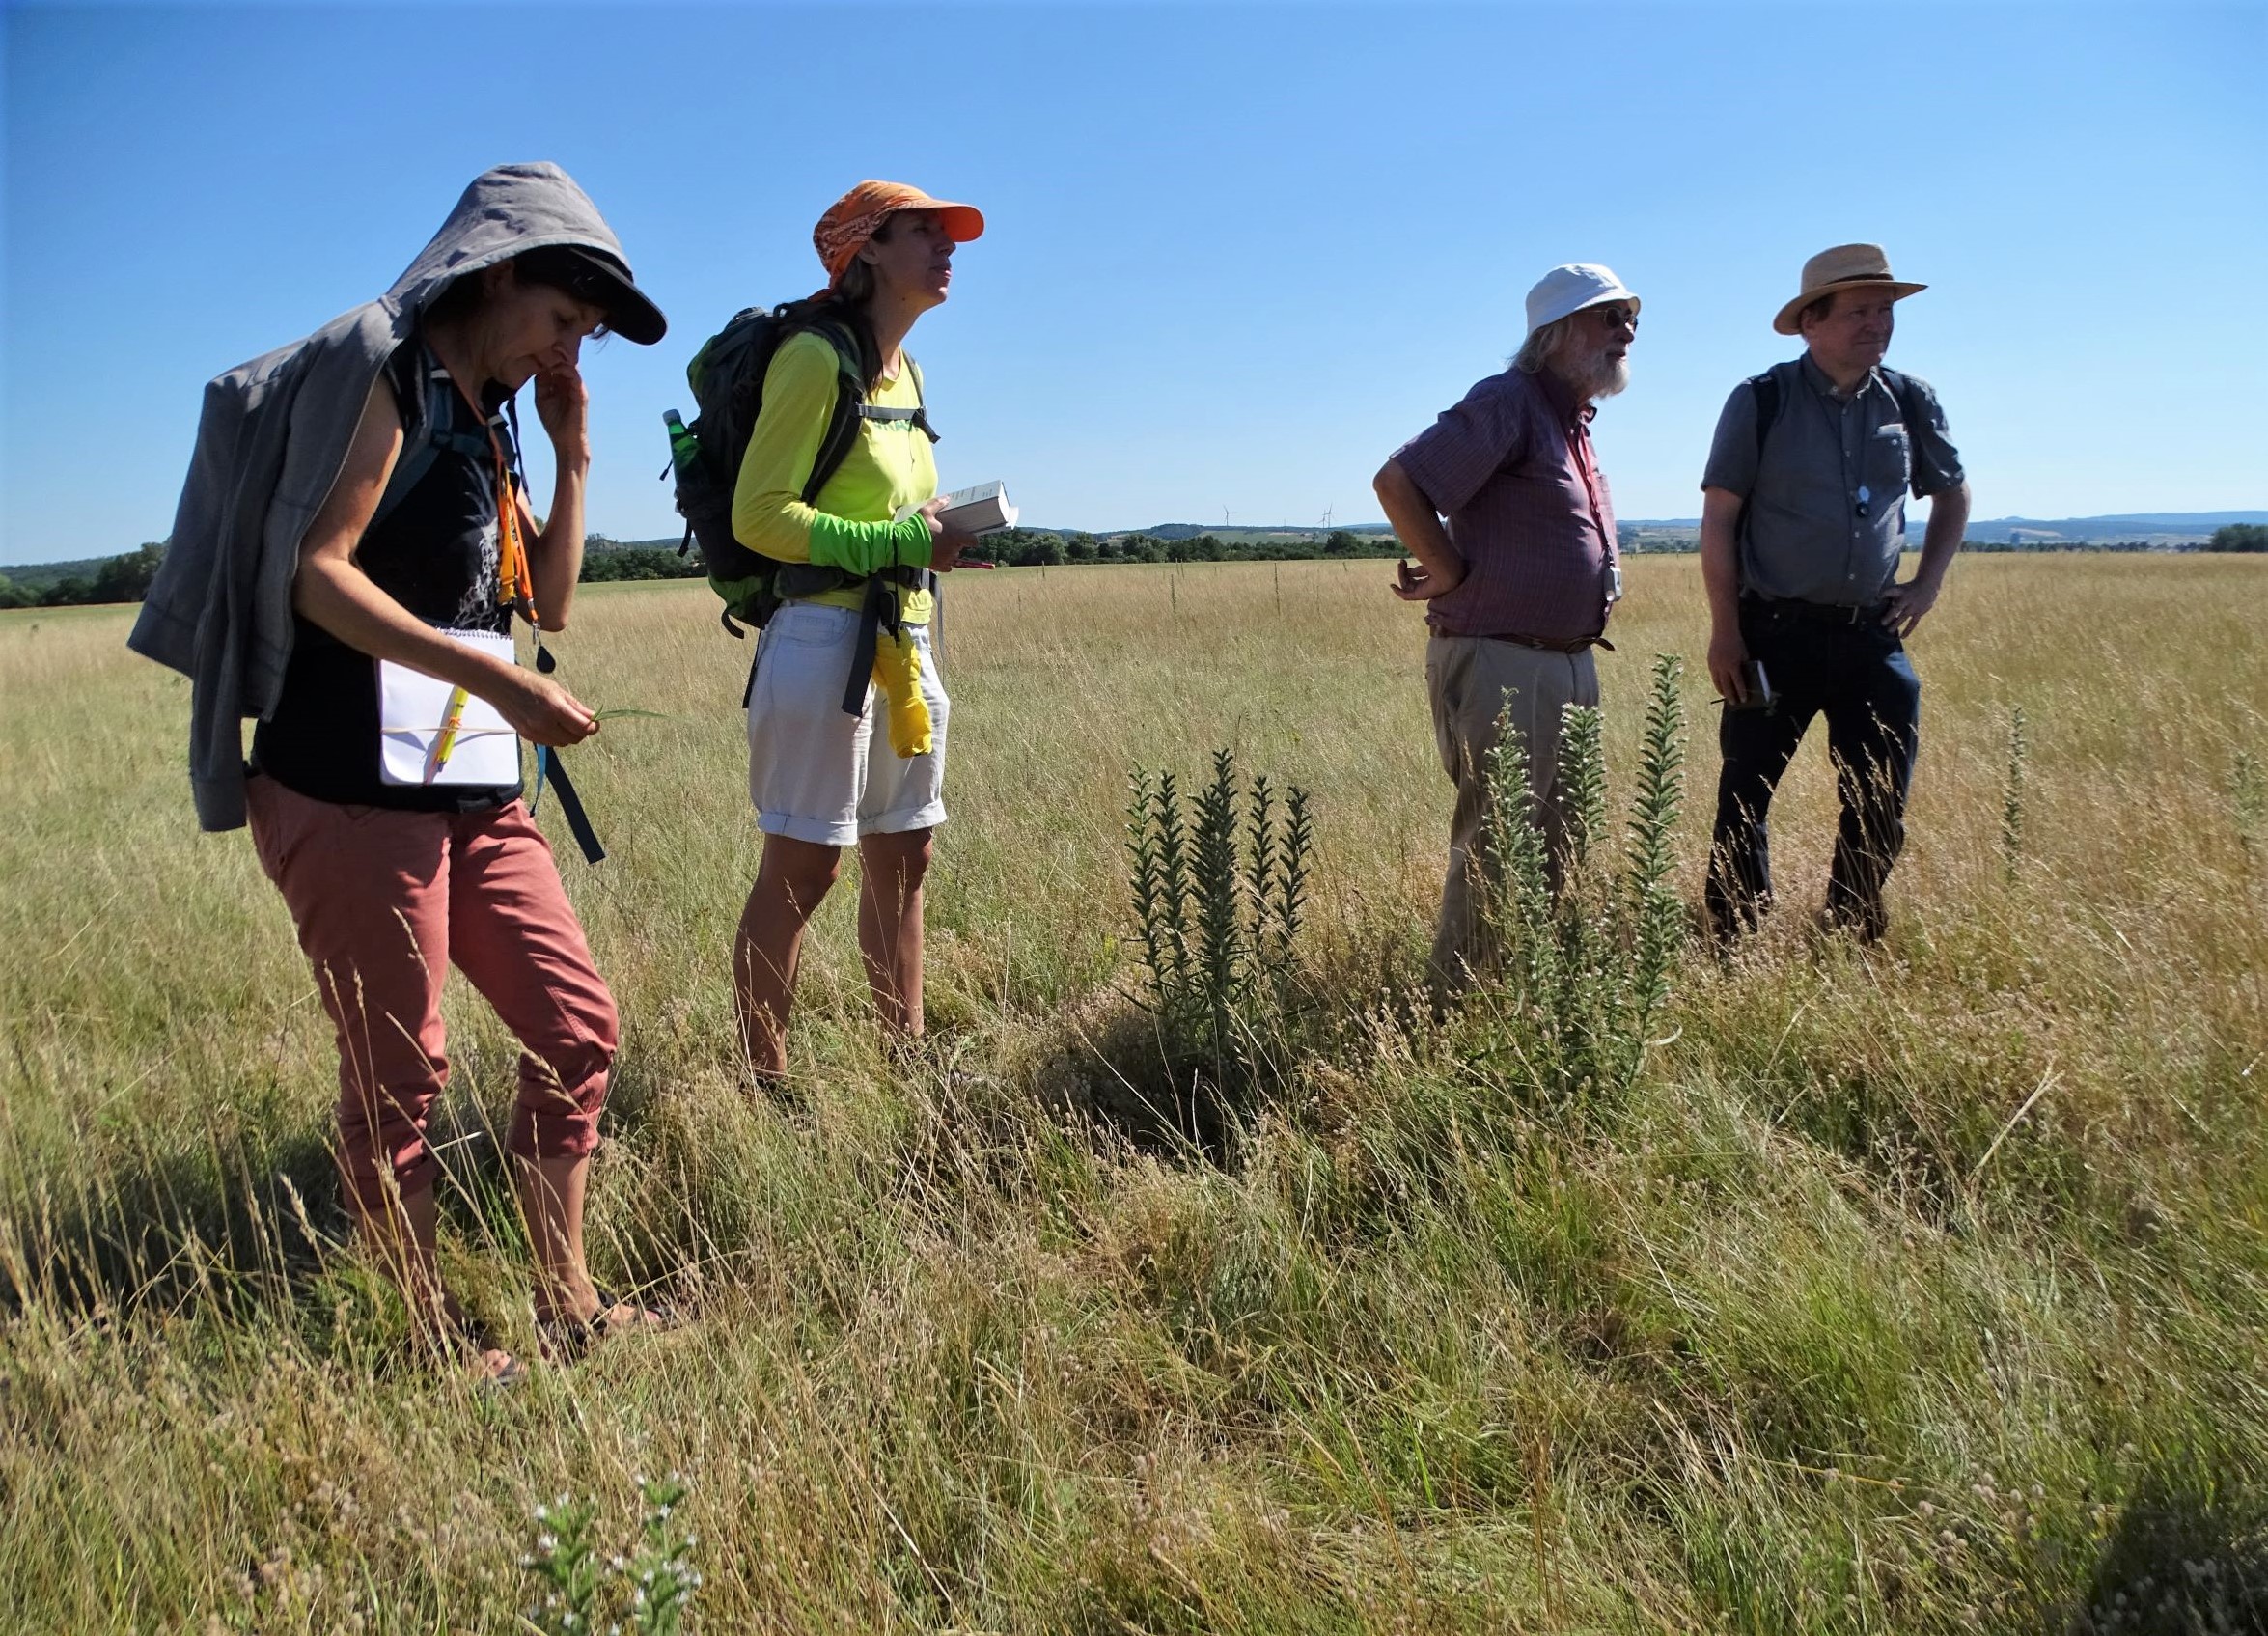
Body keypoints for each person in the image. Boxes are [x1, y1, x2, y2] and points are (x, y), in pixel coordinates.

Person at [129, 163, 672, 1382]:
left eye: (582, 334)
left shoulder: (495, 415)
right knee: (400, 1074)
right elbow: (319, 571)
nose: (564, 347)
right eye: (561, 318)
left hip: (469, 789)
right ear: (498, 271)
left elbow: (557, 602)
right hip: (343, 790)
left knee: (577, 1028)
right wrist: (496, 686)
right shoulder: (389, 374)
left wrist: (575, 454)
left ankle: (567, 1301)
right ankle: (428, 1341)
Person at [730, 180, 987, 1082]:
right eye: (926, 233)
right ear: (867, 250)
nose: (947, 249)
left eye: (948, 235)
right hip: (819, 645)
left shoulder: (907, 373)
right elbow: (759, 515)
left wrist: (938, 535)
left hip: (902, 641)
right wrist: (895, 540)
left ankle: (904, 1064)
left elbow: (894, 508)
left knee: (906, 855)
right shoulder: (814, 357)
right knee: (806, 870)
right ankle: (767, 1083)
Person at [1372, 263, 1639, 988]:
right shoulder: (1510, 402)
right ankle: (1454, 1012)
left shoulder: (1570, 421)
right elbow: (1399, 483)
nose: (1627, 330)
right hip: (1504, 660)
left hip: (1565, 661)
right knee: (1500, 841)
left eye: (1630, 318)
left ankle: (1520, 995)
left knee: (1560, 843)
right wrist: (1450, 568)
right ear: (1554, 334)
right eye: (1608, 316)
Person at [1699, 243, 1972, 944]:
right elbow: (1721, 519)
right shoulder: (1761, 400)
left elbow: (1953, 493)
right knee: (1745, 792)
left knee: (1880, 795)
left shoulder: (1910, 400)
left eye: (1884, 311)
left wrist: (1927, 584)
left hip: (1869, 632)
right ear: (1810, 322)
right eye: (1858, 312)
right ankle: (1736, 934)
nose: (1877, 324)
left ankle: (1851, 925)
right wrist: (1726, 632)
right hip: (1772, 632)